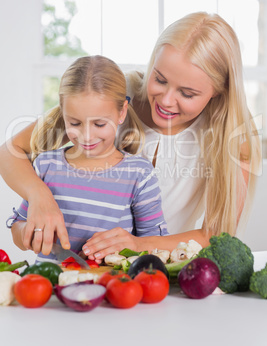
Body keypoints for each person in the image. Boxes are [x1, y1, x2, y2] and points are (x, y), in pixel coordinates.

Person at [0, 12, 261, 261]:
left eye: (187, 93)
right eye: (159, 79)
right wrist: (40, 197)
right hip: (90, 267)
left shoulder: (235, 137)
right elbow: (10, 152)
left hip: (162, 275)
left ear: (218, 90)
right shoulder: (113, 97)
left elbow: (216, 235)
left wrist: (139, 245)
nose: (167, 101)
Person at [6, 55, 168, 263]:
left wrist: (126, 246)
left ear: (121, 112)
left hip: (110, 288)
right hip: (48, 289)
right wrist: (29, 235)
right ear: (62, 112)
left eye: (99, 124)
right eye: (74, 123)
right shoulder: (45, 165)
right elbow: (18, 227)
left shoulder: (139, 174)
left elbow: (154, 244)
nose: (87, 136)